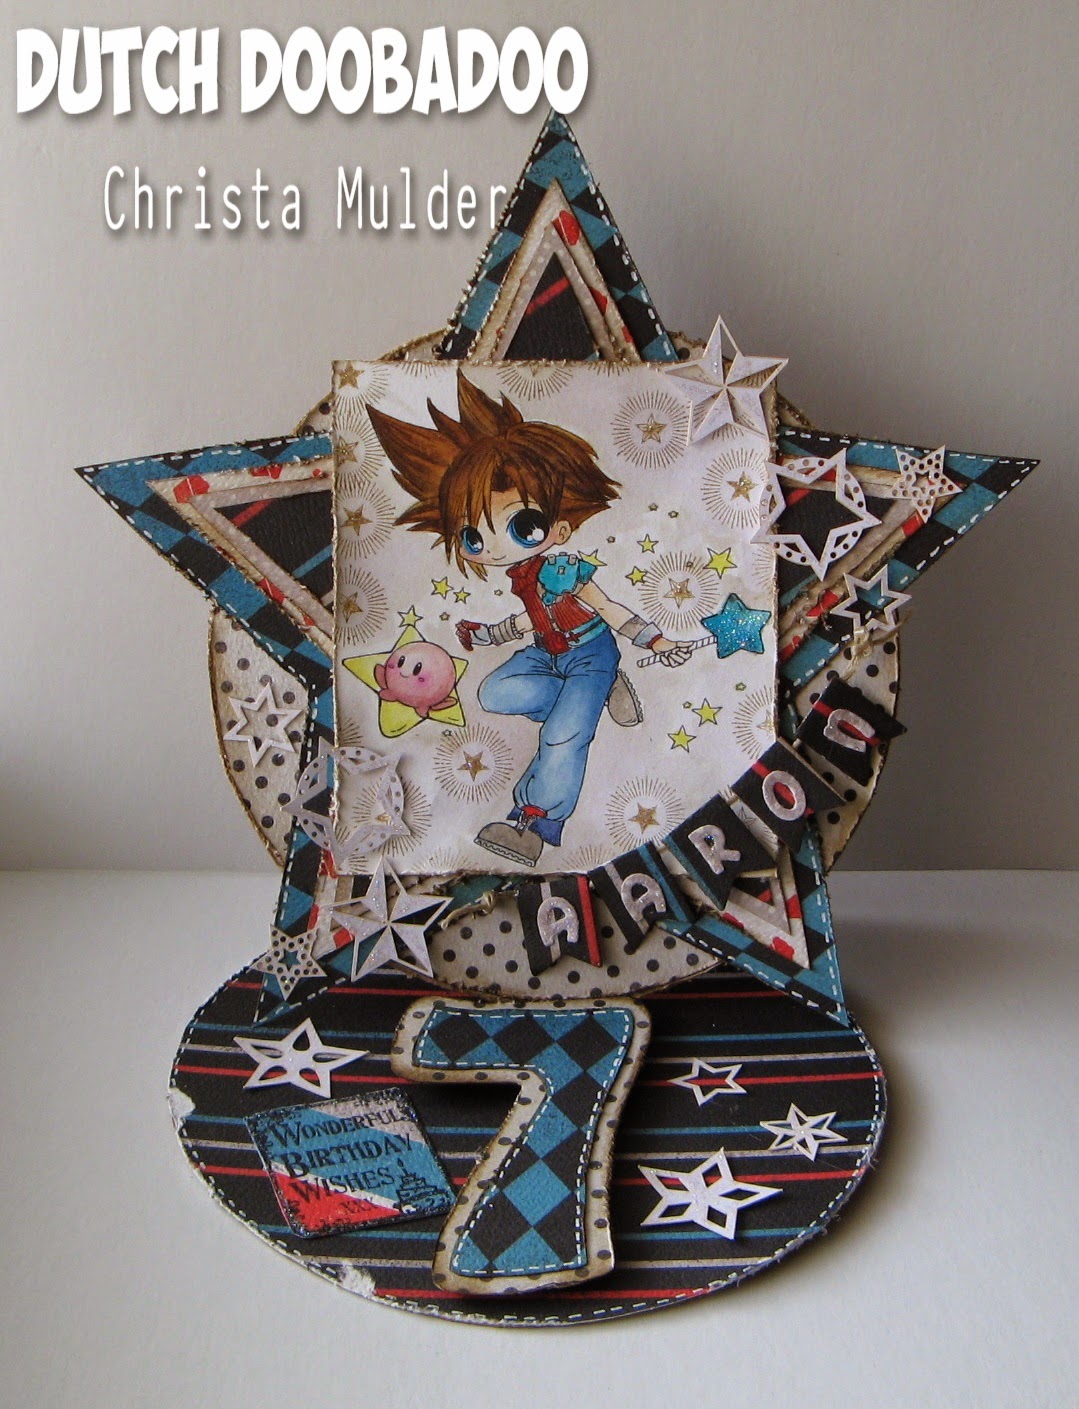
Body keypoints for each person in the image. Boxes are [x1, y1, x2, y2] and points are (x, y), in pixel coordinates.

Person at [367, 371, 689, 866]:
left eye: (521, 525)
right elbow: (529, 622)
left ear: (559, 527)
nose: (493, 548)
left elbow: (607, 608)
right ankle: (594, 699)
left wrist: (654, 640)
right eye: (474, 537)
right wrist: (487, 634)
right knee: (494, 692)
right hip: (544, 656)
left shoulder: (567, 570)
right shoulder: (522, 576)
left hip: (590, 655)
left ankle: (534, 822)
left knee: (563, 737)